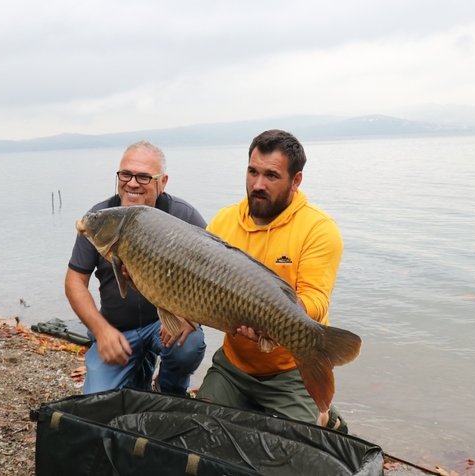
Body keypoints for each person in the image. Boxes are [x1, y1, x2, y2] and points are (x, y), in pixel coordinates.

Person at [196, 129, 347, 431]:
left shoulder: (319, 228)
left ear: (296, 180)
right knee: (202, 431)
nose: (258, 184)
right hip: (234, 366)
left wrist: (270, 318)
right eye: (253, 172)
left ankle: (326, 417)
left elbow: (316, 301)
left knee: (291, 446)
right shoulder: (224, 221)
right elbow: (198, 284)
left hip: (289, 370)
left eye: (271, 175)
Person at [65, 140, 206, 395]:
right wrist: (102, 331)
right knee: (98, 401)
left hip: (162, 324)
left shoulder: (184, 217)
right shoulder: (100, 219)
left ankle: (169, 390)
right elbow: (75, 281)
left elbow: (213, 276)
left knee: (189, 345)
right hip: (117, 329)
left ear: (163, 182)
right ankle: (138, 373)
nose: (132, 183)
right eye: (125, 174)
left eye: (143, 177)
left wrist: (190, 316)